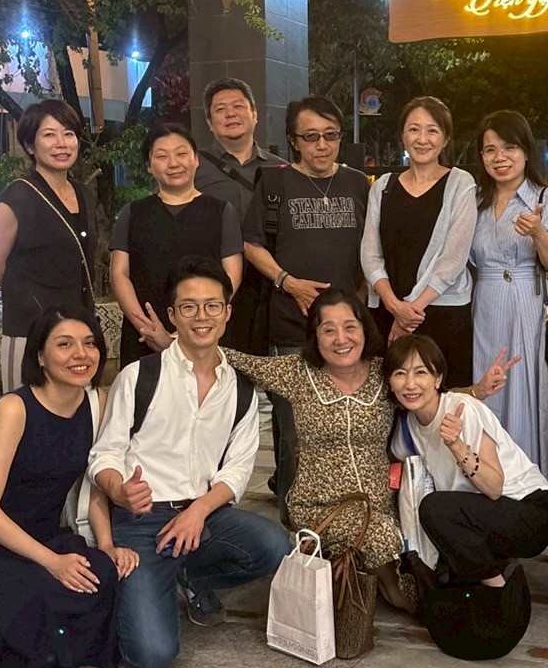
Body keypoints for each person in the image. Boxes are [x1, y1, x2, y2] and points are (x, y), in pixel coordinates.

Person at [223, 290, 515, 605]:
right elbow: (238, 361)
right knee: (388, 545)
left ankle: (382, 580)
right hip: (321, 505)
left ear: (364, 329)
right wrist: (185, 339)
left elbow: (427, 396)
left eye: (350, 326)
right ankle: (414, 601)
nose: (341, 339)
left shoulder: (383, 373)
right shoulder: (297, 372)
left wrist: (476, 391)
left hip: (381, 503)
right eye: (328, 330)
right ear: (315, 336)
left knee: (428, 542)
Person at [86, 258, 292, 668]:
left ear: (227, 313)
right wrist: (119, 490)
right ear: (172, 315)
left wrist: (198, 512)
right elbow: (104, 455)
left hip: (205, 515)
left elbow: (236, 471)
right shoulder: (138, 377)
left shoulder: (241, 390)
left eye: (212, 306)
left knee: (274, 546)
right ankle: (153, 580)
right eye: (189, 306)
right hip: (142, 521)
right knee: (152, 656)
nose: (202, 317)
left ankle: (191, 576)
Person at [0, 306, 127, 668]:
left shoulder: (98, 404)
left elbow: (93, 484)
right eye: (64, 344)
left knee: (101, 575)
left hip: (41, 530)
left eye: (89, 343)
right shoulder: (14, 408)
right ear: (40, 355)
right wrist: (51, 561)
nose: (81, 354)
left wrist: (106, 544)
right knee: (37, 600)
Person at [242, 97, 370, 522]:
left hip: (347, 332)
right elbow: (251, 244)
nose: (321, 145)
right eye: (310, 137)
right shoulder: (275, 183)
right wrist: (287, 281)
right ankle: (297, 525)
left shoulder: (358, 184)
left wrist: (363, 297)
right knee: (295, 432)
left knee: (347, 425)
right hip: (291, 326)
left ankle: (345, 520)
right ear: (293, 141)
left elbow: (373, 249)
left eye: (330, 135)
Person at [386, 335, 548, 587]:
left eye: (420, 372)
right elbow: (394, 463)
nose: (410, 384)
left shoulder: (463, 408)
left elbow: (494, 487)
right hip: (480, 514)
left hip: (529, 510)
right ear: (390, 383)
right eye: (400, 374)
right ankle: (492, 583)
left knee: (435, 508)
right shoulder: (407, 428)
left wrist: (456, 446)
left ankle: (498, 590)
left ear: (438, 379)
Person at [469, 110, 548, 506]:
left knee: (532, 400)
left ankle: (535, 499)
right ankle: (490, 491)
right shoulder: (475, 201)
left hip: (530, 307)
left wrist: (539, 232)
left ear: (526, 151)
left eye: (509, 147)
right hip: (484, 307)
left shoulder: (546, 199)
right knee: (489, 394)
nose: (500, 157)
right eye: (490, 150)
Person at [0, 100, 98, 393]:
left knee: (76, 412)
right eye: (49, 135)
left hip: (77, 331)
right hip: (30, 330)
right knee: (27, 412)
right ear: (30, 146)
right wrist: (30, 292)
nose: (61, 143)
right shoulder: (16, 198)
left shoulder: (84, 193)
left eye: (68, 134)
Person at [362, 96, 477, 386]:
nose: (422, 139)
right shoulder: (383, 187)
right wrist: (394, 306)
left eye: (432, 130)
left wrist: (408, 314)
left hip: (442, 312)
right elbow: (370, 256)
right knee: (393, 396)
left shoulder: (460, 184)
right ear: (403, 135)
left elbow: (453, 260)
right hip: (387, 313)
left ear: (445, 139)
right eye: (414, 129)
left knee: (445, 400)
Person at [109, 121, 244, 366]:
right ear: (149, 165)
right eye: (162, 156)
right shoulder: (133, 213)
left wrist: (188, 329)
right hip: (144, 338)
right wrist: (149, 330)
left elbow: (231, 276)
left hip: (206, 332)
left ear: (196, 159)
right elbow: (119, 274)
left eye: (181, 154)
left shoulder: (221, 211)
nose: (173, 163)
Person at [193, 78, 287, 354]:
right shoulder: (193, 166)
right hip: (213, 283)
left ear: (255, 114)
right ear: (209, 122)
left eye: (238, 106)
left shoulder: (281, 169)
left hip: (269, 285)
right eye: (220, 109)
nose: (230, 114)